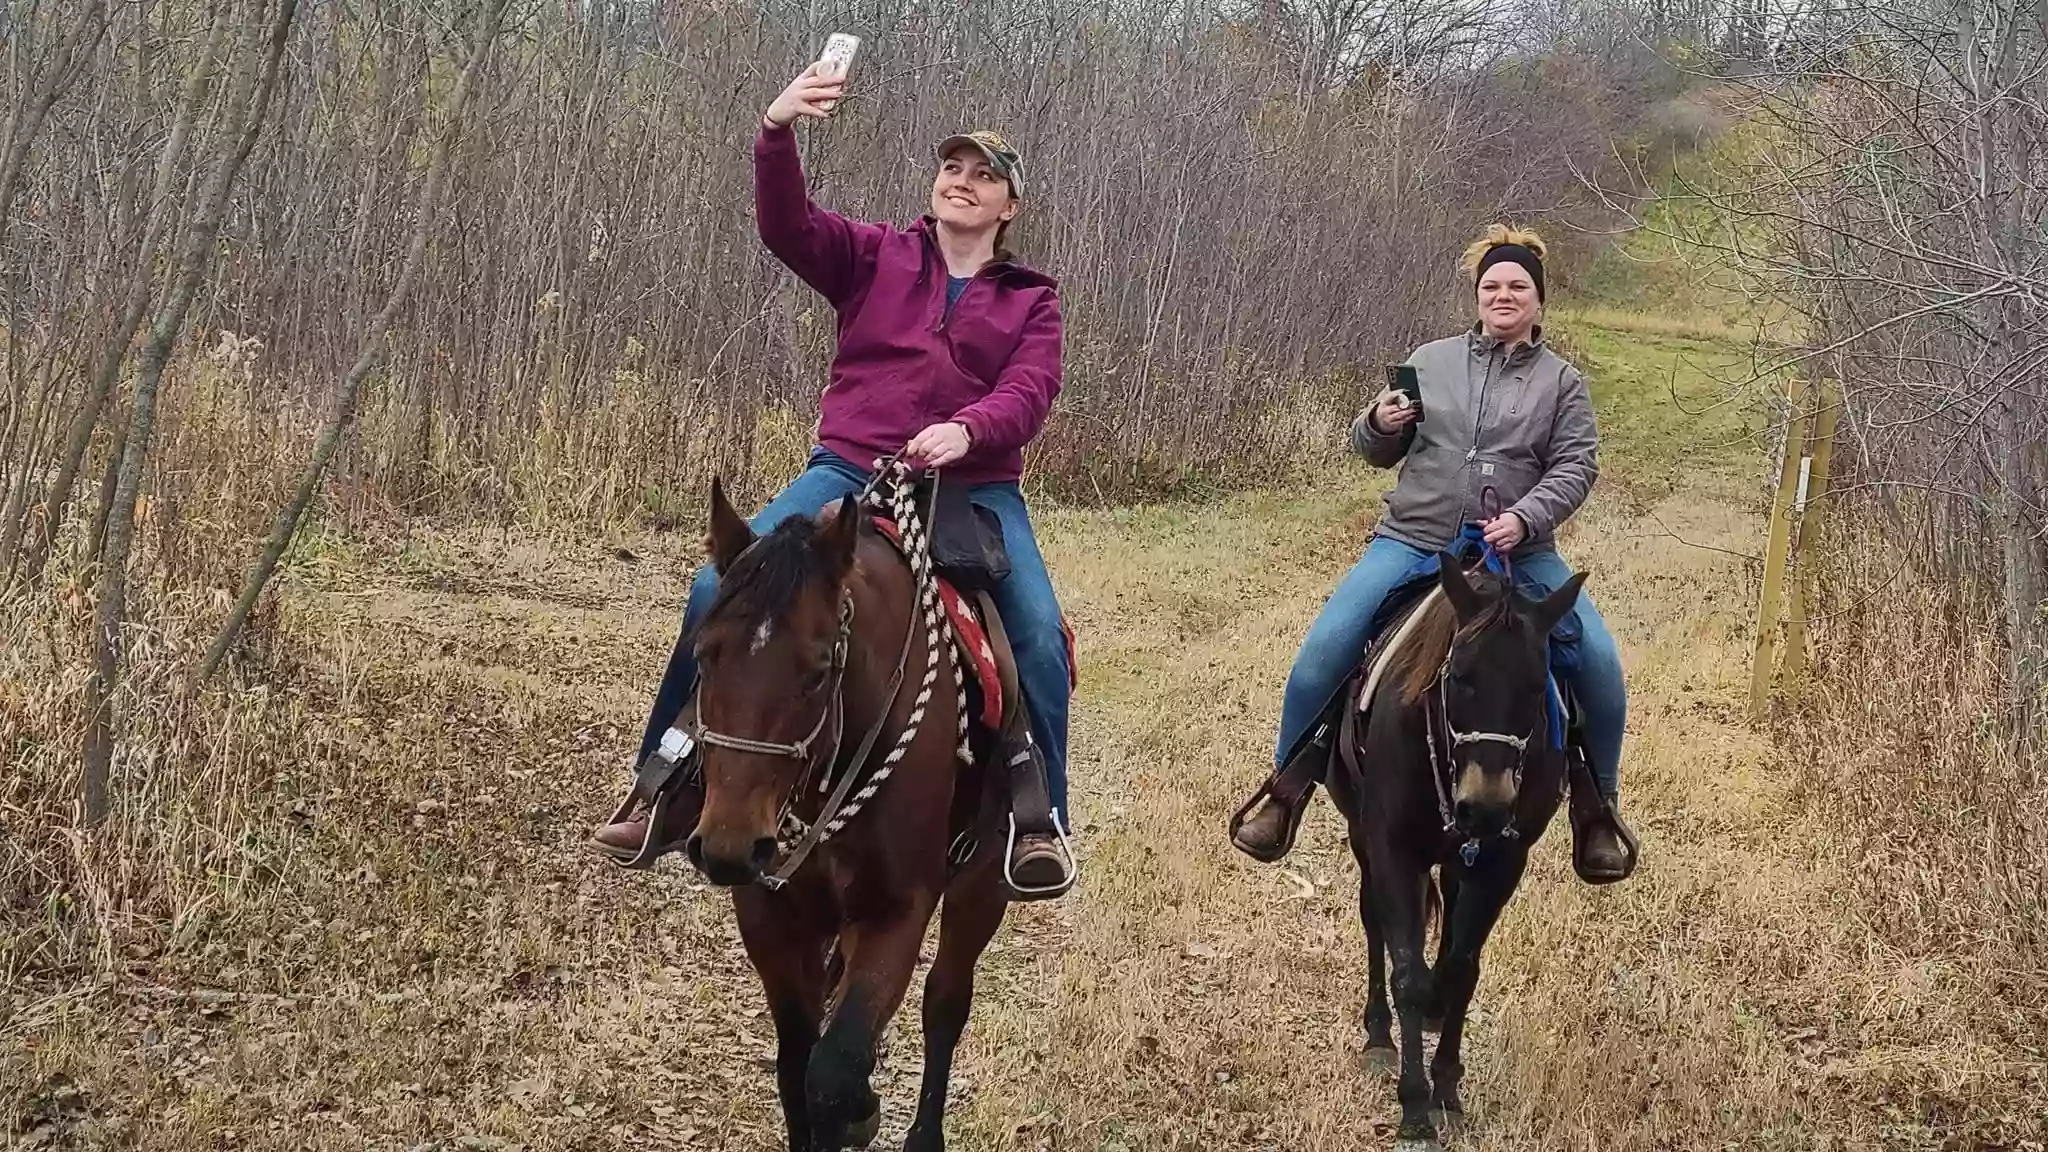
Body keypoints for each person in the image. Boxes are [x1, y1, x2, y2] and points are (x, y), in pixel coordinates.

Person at [588, 61, 1077, 893]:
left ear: (1010, 206)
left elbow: (1030, 393)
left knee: (1035, 635)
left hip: (974, 490)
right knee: (717, 593)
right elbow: (787, 227)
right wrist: (775, 131)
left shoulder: (1032, 299)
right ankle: (663, 781)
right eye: (952, 167)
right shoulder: (875, 254)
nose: (963, 181)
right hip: (850, 471)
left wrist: (967, 429)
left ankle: (1039, 816)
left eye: (984, 175)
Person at [1230, 224, 1635, 881]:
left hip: (1519, 556)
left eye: (1518, 287)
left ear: (1539, 300)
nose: (1503, 296)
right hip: (1414, 540)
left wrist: (1525, 520)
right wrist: (1377, 424)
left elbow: (1575, 467)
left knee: (1597, 661)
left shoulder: (1563, 384)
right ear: (1477, 296)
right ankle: (1287, 788)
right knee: (1325, 647)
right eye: (1492, 286)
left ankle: (1597, 810)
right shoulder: (1431, 358)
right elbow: (1376, 451)